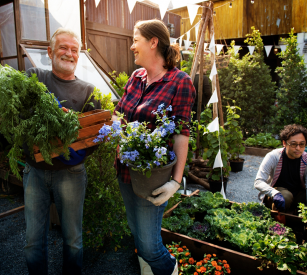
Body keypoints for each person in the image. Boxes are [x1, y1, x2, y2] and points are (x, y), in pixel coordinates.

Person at [112, 19, 195, 275]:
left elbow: (182, 133)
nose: (132, 46)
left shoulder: (180, 81)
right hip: (126, 172)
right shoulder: (136, 77)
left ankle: (171, 270)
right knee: (137, 234)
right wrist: (118, 135)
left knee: (148, 245)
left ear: (153, 42)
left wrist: (176, 181)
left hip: (153, 177)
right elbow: (118, 113)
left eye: (135, 40)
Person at [22, 28, 100, 275]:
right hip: (35, 170)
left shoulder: (88, 90)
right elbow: (19, 115)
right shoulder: (34, 78)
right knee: (33, 241)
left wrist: (78, 145)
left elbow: (95, 135)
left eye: (74, 50)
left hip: (71, 172)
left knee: (73, 240)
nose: (69, 53)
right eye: (64, 47)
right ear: (50, 51)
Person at [254, 124, 307, 213]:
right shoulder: (273, 156)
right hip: (277, 195)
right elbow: (258, 181)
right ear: (284, 143)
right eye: (293, 144)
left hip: (297, 195)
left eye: (302, 144)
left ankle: (295, 214)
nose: (298, 148)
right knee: (286, 196)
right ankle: (279, 217)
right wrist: (274, 193)